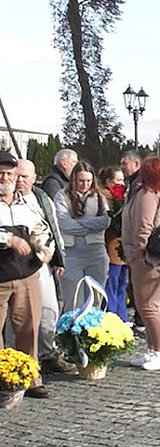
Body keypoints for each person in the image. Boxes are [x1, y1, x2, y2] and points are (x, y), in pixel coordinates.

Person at [0, 151, 55, 397]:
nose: (5, 178)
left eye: (9, 174)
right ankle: (3, 380)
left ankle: (30, 378)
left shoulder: (26, 203)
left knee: (28, 329)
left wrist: (44, 247)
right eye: (0, 173)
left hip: (26, 275)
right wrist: (8, 239)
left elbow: (43, 230)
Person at [122, 155, 160, 371]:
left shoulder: (147, 194)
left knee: (149, 306)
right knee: (148, 305)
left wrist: (136, 255)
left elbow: (143, 229)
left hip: (149, 258)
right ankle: (152, 349)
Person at [15, 159, 71, 376]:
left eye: (25, 177)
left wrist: (59, 259)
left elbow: (54, 228)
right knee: (18, 316)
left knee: (49, 311)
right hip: (17, 267)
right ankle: (17, 361)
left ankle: (47, 354)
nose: (20, 181)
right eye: (17, 176)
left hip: (43, 264)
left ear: (33, 177)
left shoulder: (41, 198)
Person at [54, 161, 111, 301]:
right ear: (74, 179)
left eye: (88, 181)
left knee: (96, 299)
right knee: (73, 301)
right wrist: (92, 225)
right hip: (71, 254)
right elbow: (64, 224)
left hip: (96, 252)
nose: (85, 185)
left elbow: (106, 221)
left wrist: (79, 222)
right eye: (81, 180)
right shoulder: (62, 196)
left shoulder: (100, 197)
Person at [98, 166, 128, 321]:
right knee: (113, 283)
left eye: (123, 180)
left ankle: (121, 316)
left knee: (122, 283)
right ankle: (112, 316)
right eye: (119, 180)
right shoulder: (103, 198)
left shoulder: (120, 199)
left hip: (122, 246)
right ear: (109, 182)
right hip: (111, 245)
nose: (122, 183)